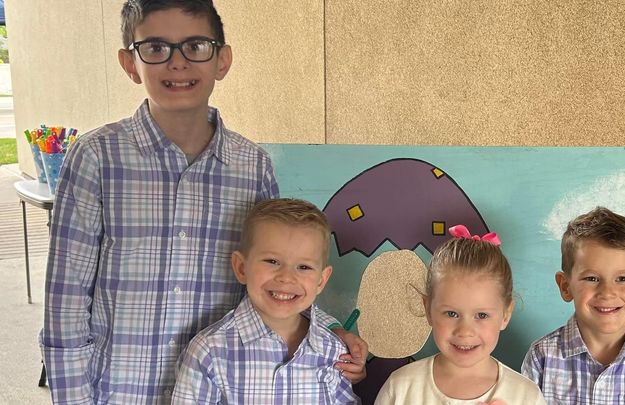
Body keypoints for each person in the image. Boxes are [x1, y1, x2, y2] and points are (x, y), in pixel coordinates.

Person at [39, 1, 365, 403]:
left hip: (225, 389)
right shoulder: (96, 158)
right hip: (119, 393)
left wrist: (331, 331)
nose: (177, 62)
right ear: (129, 63)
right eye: (156, 48)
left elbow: (274, 267)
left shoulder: (252, 166)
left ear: (222, 60)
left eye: (195, 46)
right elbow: (66, 303)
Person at [172, 198, 360, 404]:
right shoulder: (209, 351)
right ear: (241, 268)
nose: (286, 277)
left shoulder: (334, 352)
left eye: (304, 267)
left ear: (321, 281)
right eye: (272, 261)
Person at [521, 207, 625, 404]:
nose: (607, 292)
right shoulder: (541, 358)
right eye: (592, 278)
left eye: (622, 278)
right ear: (565, 286)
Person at [375, 225, 546, 405]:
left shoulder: (526, 396)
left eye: (481, 315)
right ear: (428, 309)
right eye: (451, 313)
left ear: (505, 315)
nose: (465, 331)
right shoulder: (400, 388)